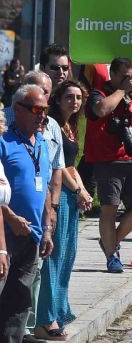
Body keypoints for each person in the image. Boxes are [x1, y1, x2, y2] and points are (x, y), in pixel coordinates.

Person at [85, 57, 132, 273]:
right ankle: (111, 255)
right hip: (108, 159)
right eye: (124, 76)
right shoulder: (99, 93)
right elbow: (101, 110)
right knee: (109, 208)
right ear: (112, 74)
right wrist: (122, 90)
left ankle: (110, 242)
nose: (129, 80)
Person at [37, 80, 91, 340]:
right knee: (54, 257)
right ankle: (45, 318)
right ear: (57, 100)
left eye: (78, 97)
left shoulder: (71, 126)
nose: (75, 102)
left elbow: (71, 165)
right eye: (69, 97)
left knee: (67, 256)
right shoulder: (52, 124)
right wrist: (79, 190)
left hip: (70, 196)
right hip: (59, 195)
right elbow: (58, 167)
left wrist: (83, 191)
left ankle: (58, 310)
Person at [0, 84, 54, 341]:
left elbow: (44, 188)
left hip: (32, 234)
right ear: (18, 109)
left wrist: (47, 228)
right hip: (6, 233)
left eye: (45, 109)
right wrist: (10, 216)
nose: (42, 115)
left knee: (20, 301)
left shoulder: (41, 143)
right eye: (36, 109)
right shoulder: (4, 142)